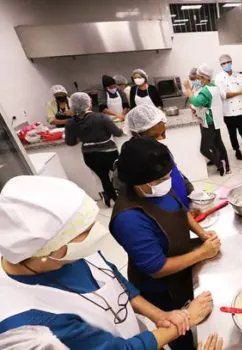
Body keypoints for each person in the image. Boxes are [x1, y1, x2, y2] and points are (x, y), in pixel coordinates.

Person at [0, 175, 213, 349]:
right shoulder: (31, 329)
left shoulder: (67, 253)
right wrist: (185, 320)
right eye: (84, 231)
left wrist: (160, 316)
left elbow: (115, 281)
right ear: (44, 249)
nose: (97, 233)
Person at [110, 137, 221, 350]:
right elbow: (157, 268)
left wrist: (202, 233)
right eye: (161, 178)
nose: (167, 181)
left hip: (183, 266)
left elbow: (181, 209)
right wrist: (202, 253)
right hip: (163, 288)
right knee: (184, 333)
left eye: (168, 175)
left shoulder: (157, 185)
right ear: (138, 182)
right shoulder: (129, 219)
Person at [126, 104, 194, 206]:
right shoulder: (133, 162)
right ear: (137, 134)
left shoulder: (161, 149)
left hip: (183, 205)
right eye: (155, 136)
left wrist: (191, 192)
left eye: (163, 132)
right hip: (167, 213)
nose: (163, 138)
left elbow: (176, 172)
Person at [65, 92, 123, 207]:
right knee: (118, 174)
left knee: (103, 176)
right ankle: (120, 197)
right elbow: (117, 133)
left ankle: (109, 196)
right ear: (89, 104)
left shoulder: (71, 122)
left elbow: (70, 142)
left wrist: (81, 138)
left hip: (90, 156)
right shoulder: (101, 117)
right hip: (109, 153)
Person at [183, 63, 230, 176]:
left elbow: (196, 102)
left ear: (204, 77)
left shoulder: (206, 90)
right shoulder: (213, 86)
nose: (197, 80)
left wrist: (189, 89)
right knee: (218, 143)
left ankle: (219, 163)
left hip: (209, 122)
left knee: (204, 149)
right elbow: (206, 103)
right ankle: (226, 165)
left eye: (198, 78)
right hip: (215, 119)